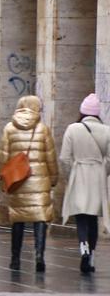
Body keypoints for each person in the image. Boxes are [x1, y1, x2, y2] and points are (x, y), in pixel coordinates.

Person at [0, 94, 58, 272]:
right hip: (39, 181)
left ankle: (15, 258)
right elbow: (50, 157)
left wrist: (2, 180)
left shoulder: (9, 128)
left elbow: (3, 157)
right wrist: (53, 178)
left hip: (18, 180)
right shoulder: (43, 129)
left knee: (18, 219)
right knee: (40, 218)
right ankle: (39, 254)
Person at [59, 93, 110, 276]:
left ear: (82, 111)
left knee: (81, 217)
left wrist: (70, 174)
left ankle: (83, 247)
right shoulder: (106, 130)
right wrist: (103, 171)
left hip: (78, 173)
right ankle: (92, 255)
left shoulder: (72, 129)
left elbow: (64, 158)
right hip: (97, 175)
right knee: (93, 218)